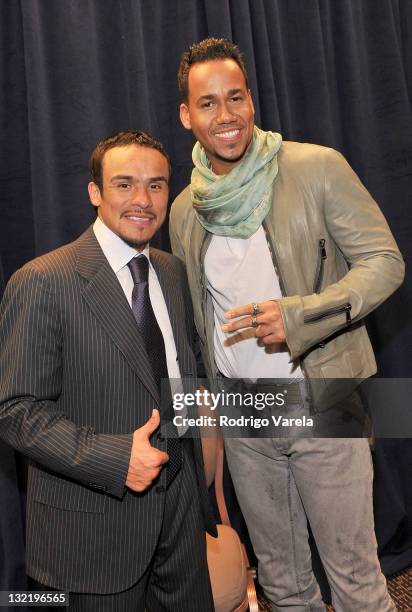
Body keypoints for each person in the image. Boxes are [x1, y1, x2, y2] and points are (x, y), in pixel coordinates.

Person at [169, 38, 404, 611]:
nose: (225, 116)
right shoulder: (181, 211)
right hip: (245, 413)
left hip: (322, 395)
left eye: (236, 97)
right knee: (282, 581)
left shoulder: (316, 167)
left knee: (354, 579)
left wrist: (300, 316)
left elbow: (386, 262)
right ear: (186, 116)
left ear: (252, 100)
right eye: (208, 103)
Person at [0, 130, 216, 611]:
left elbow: (179, 376)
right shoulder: (43, 281)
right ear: (95, 192)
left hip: (180, 520)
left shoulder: (172, 272)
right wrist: (116, 460)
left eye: (157, 185)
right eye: (124, 184)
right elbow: (14, 410)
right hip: (93, 531)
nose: (143, 200)